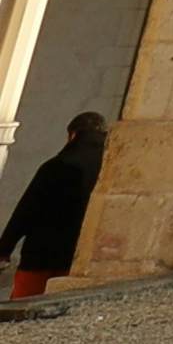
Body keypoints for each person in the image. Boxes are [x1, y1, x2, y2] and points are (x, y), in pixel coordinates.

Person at [3, 113, 107, 299]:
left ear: (73, 135)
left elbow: (26, 211)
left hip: (40, 255)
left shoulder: (56, 166)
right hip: (80, 257)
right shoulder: (110, 167)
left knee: (21, 306)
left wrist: (4, 249)